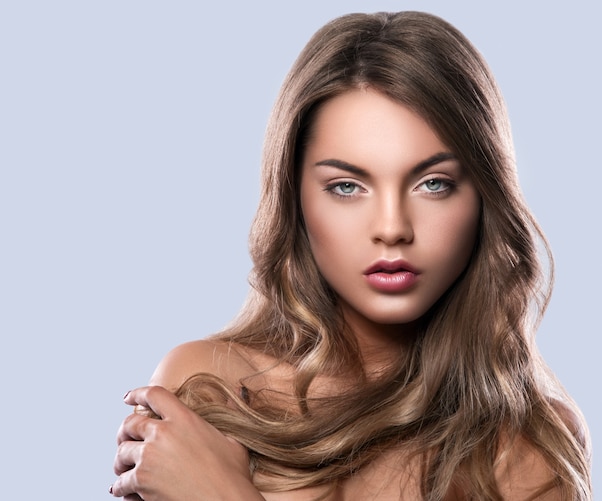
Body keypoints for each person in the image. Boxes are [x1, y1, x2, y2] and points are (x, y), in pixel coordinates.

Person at [111, 11, 592, 500]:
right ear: (294, 197)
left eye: (433, 184)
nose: (391, 229)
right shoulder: (209, 385)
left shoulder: (525, 442)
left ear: (485, 198)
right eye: (346, 186)